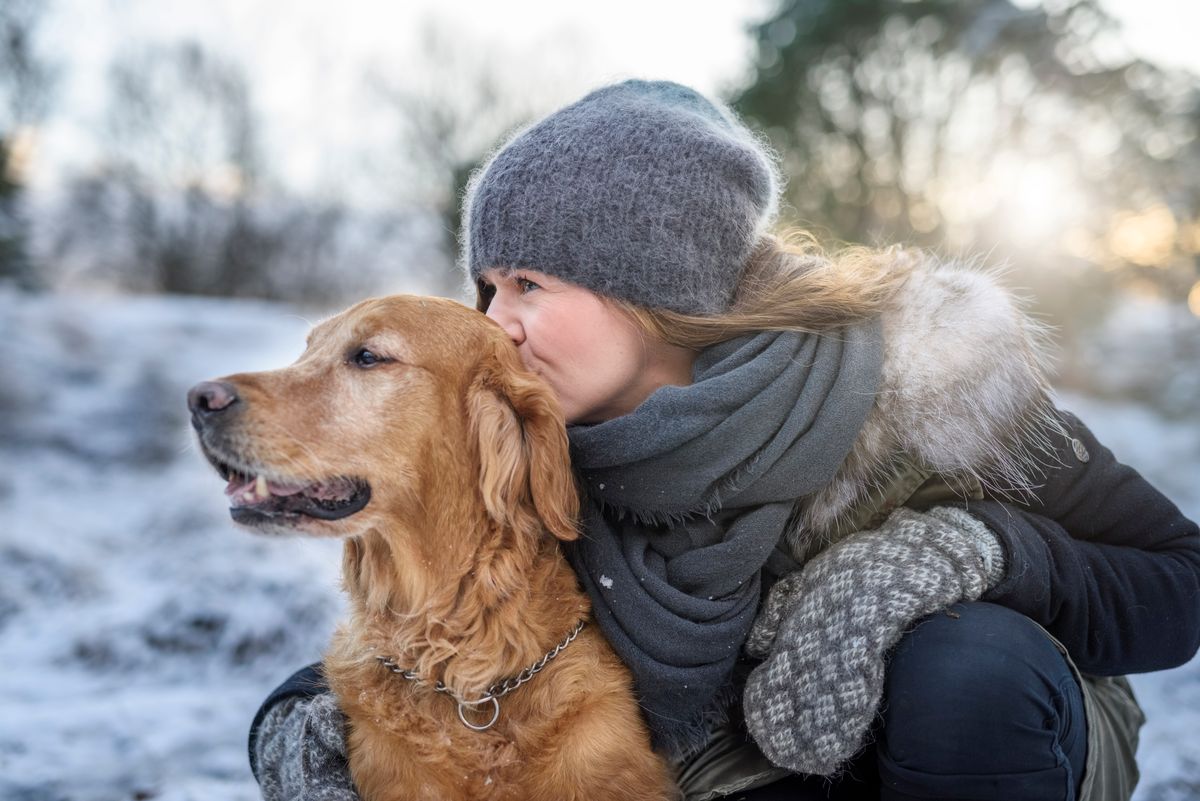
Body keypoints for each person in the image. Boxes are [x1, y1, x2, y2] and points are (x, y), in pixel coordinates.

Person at [248, 80, 1200, 801]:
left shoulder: (921, 388)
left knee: (963, 666)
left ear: (649, 288)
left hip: (996, 737)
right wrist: (306, 735)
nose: (495, 322)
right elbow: (450, 623)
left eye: (529, 284)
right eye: (488, 287)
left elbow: (1181, 578)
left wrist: (966, 552)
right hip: (750, 767)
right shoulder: (538, 439)